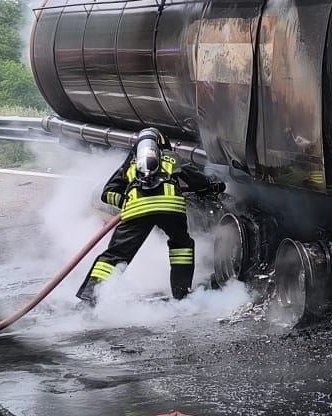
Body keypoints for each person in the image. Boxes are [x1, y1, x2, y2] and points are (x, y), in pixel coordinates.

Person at [76, 127, 225, 304]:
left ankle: (90, 296)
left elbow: (107, 193)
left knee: (116, 255)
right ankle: (181, 294)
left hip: (137, 211)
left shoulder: (131, 164)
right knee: (181, 247)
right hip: (170, 209)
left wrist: (127, 201)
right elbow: (198, 182)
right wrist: (214, 186)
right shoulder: (172, 157)